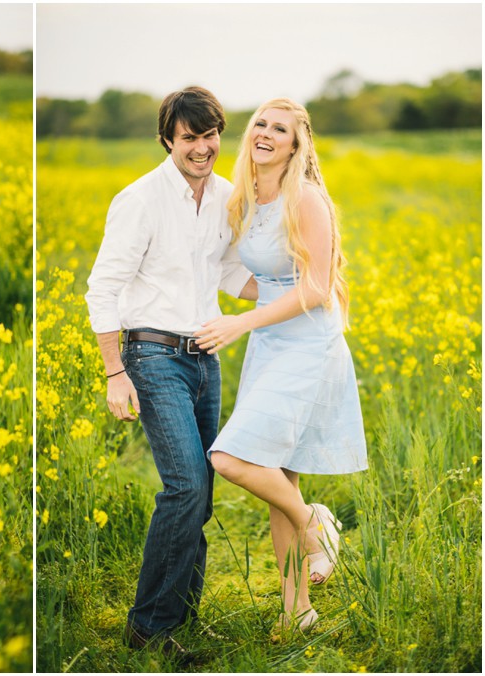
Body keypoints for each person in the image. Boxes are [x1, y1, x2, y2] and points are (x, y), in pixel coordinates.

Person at [85, 86, 258, 662]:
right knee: (185, 485)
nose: (204, 147)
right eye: (191, 137)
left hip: (205, 356)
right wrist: (115, 372)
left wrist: (297, 293)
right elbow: (103, 287)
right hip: (151, 355)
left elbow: (232, 274)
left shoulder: (227, 197)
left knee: (201, 492)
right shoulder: (138, 200)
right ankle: (147, 628)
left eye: (211, 135)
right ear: (167, 139)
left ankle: (180, 620)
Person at [193, 98, 367, 637]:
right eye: (261, 124)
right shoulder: (247, 198)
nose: (266, 133)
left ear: (297, 144)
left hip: (308, 346)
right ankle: (297, 610)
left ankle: (316, 524)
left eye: (281, 129)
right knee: (278, 473)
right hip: (272, 343)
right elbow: (260, 277)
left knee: (229, 458)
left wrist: (242, 323)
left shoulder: (305, 198)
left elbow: (315, 288)